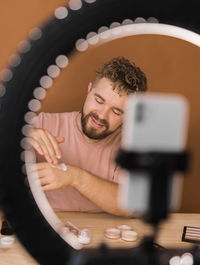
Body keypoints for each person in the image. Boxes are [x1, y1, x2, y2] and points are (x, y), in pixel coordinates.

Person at [29, 56, 147, 216]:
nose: (102, 116)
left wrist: (75, 177)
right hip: (45, 227)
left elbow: (132, 206)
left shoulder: (131, 143)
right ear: (89, 89)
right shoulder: (40, 124)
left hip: (101, 233)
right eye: (99, 100)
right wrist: (16, 140)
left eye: (116, 111)